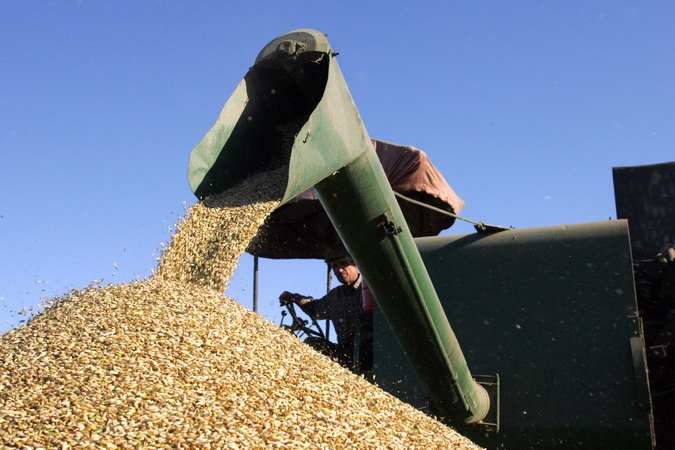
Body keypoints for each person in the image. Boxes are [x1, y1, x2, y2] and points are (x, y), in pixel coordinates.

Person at [279, 246, 372, 369]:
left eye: (344, 264)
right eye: (335, 266)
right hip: (345, 351)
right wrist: (295, 298)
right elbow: (315, 309)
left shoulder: (370, 289)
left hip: (371, 350)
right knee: (311, 343)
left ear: (356, 265)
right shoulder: (335, 296)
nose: (339, 269)